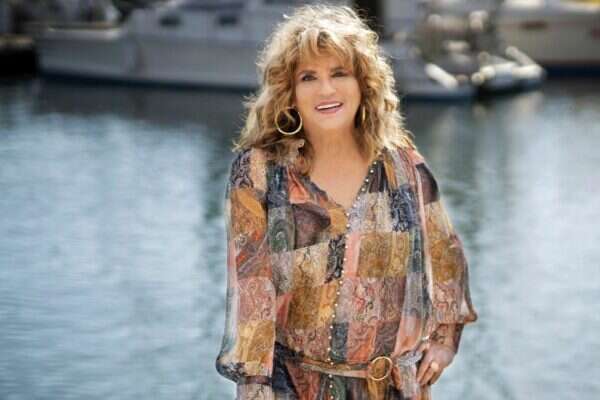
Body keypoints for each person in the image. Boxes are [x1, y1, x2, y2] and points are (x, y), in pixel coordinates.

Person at [215, 4, 478, 400]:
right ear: (289, 92)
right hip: (296, 389)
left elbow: (446, 253)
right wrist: (255, 389)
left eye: (339, 73)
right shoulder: (259, 174)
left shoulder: (403, 166)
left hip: (395, 389)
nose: (327, 90)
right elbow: (253, 297)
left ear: (363, 82)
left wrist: (443, 340)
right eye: (308, 77)